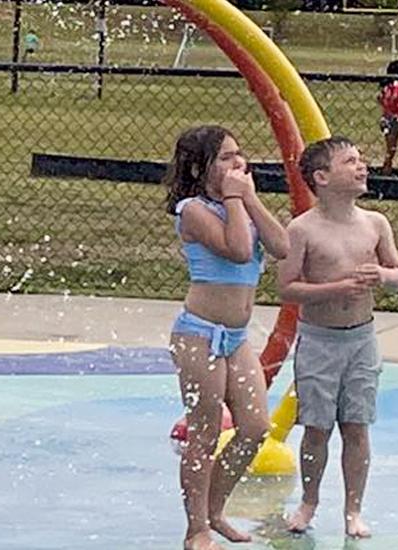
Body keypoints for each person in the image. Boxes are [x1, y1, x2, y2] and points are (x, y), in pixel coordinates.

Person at [163, 125, 290, 550]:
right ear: (200, 168)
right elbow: (237, 250)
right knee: (203, 432)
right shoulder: (193, 210)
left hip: (235, 338)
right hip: (199, 335)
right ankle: (195, 527)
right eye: (225, 158)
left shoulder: (242, 205)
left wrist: (248, 197)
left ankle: (216, 509)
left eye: (240, 155)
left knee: (255, 427)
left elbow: (282, 245)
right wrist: (237, 199)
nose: (238, 163)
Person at [280, 137, 398, 540]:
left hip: (362, 340)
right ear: (322, 177)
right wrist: (334, 289)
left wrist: (383, 278)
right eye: (351, 161)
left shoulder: (375, 223)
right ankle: (309, 500)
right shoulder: (302, 230)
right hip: (319, 341)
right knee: (316, 428)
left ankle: (354, 510)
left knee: (357, 426)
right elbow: (287, 289)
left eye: (361, 159)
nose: (362, 166)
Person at [378, 60, 398, 171]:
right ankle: (386, 168)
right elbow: (395, 97)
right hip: (393, 117)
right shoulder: (395, 85)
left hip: (387, 116)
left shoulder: (386, 86)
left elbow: (381, 99)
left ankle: (387, 167)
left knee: (390, 147)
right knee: (391, 148)